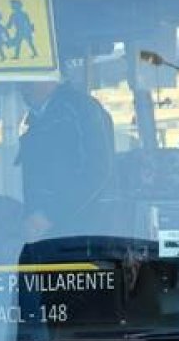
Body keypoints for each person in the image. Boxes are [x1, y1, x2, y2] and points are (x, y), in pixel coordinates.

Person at [14, 80, 115, 240]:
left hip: (81, 236)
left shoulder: (79, 110)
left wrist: (49, 216)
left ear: (49, 79)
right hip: (46, 233)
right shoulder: (37, 117)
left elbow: (97, 171)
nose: (22, 88)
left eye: (28, 83)